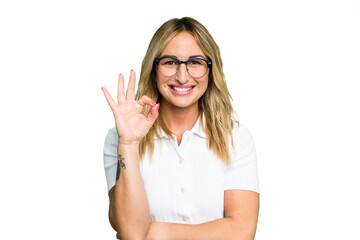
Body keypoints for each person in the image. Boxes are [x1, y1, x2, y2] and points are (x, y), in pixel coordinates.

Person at [101, 17, 260, 240]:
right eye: (170, 62)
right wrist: (128, 143)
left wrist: (157, 232)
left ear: (210, 70)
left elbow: (241, 232)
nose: (183, 76)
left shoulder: (236, 138)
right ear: (154, 70)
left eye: (195, 62)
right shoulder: (120, 138)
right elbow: (132, 233)